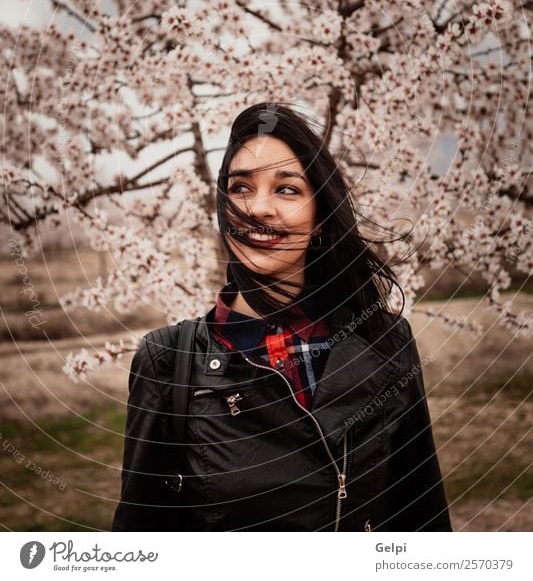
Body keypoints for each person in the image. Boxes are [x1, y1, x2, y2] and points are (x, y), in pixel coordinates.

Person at [112, 102, 452, 532]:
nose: (258, 209)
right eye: (240, 189)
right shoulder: (167, 361)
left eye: (286, 189)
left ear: (321, 220)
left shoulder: (384, 342)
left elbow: (423, 517)